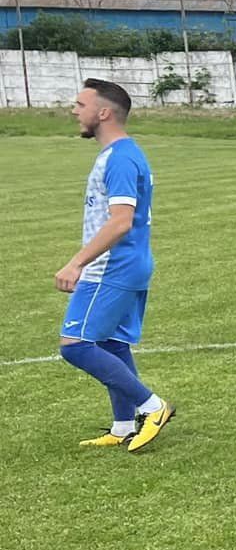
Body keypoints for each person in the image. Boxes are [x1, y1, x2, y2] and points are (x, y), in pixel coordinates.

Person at [55, 81, 175, 452]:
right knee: (111, 343)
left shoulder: (120, 158)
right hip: (130, 263)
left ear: (103, 112)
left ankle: (152, 407)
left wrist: (76, 263)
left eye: (80, 104)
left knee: (75, 345)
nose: (74, 110)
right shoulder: (123, 153)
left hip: (113, 266)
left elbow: (121, 221)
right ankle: (123, 426)